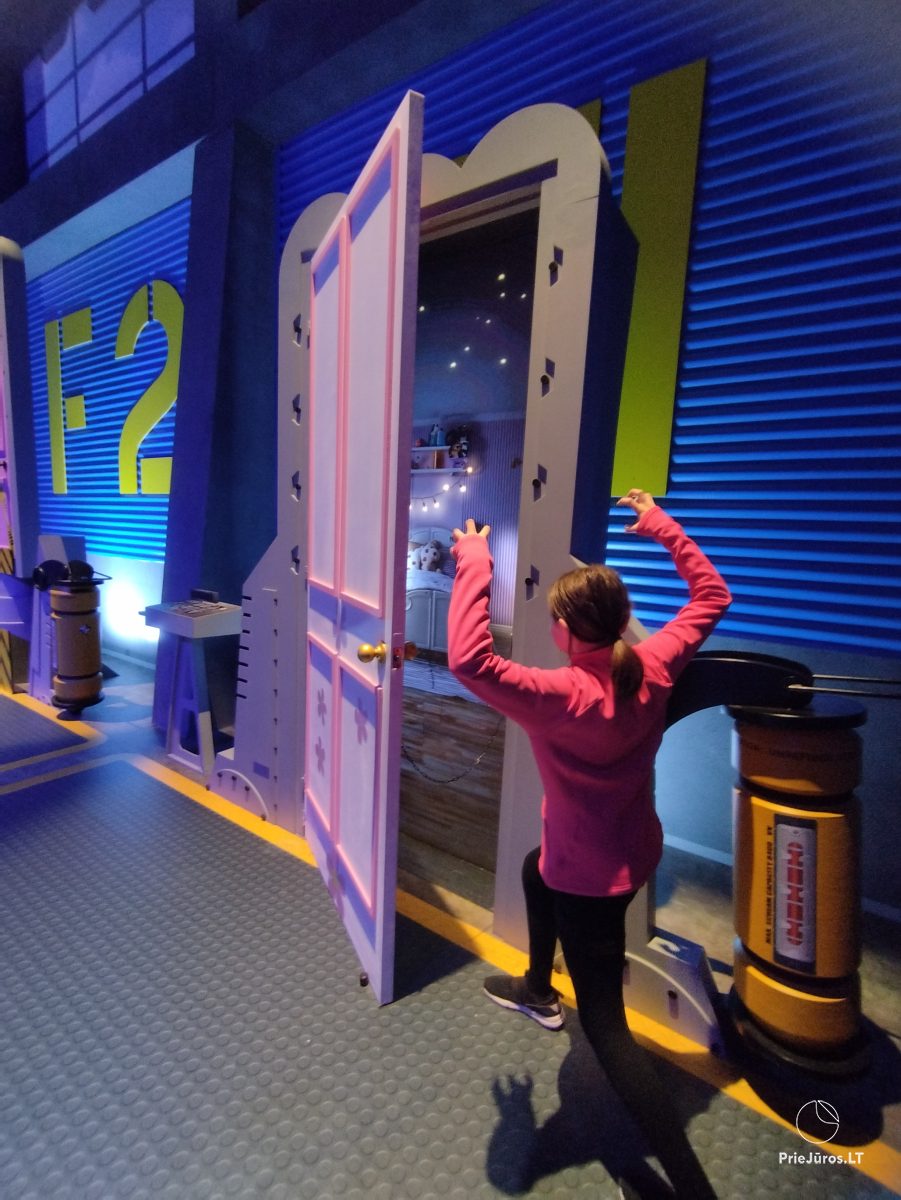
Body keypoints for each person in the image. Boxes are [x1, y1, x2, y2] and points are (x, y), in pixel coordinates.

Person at [447, 490, 731, 1200]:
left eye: (553, 618)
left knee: (606, 1030)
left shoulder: (558, 694)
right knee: (532, 870)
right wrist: (661, 526)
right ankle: (538, 989)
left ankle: (692, 1191)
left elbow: (468, 661)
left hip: (587, 878)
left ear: (569, 629)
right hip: (629, 853)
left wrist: (475, 558)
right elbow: (712, 595)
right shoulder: (654, 662)